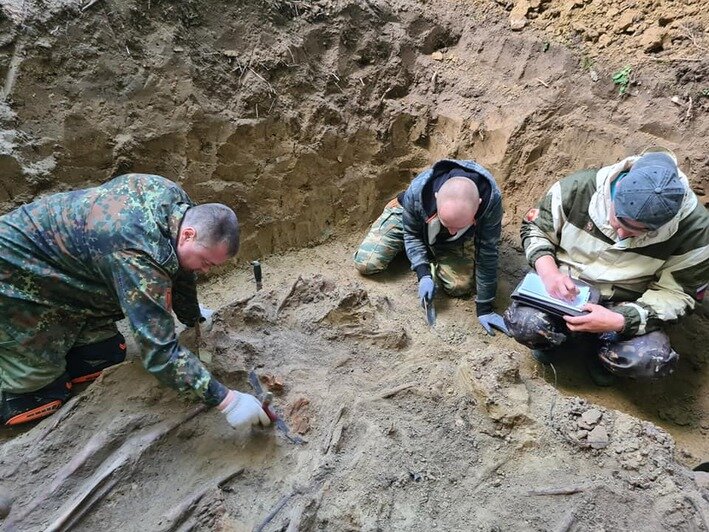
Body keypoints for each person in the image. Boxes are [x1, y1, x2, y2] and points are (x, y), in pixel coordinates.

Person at [0, 173, 270, 430]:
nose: (206, 270)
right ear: (188, 234)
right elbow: (160, 354)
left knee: (102, 356)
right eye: (207, 262)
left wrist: (191, 315)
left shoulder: (176, 202)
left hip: (67, 268)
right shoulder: (138, 253)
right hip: (12, 275)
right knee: (41, 392)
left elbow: (182, 267)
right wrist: (227, 400)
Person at [504, 151, 709, 384]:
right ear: (618, 188)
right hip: (566, 288)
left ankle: (605, 357)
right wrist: (548, 271)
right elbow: (536, 229)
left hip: (626, 303)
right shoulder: (579, 187)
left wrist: (621, 321)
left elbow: (680, 294)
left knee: (649, 359)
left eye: (636, 233)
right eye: (618, 221)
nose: (621, 234)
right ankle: (556, 343)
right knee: (525, 324)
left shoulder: (695, 231)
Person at [354, 159, 509, 335]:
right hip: (408, 217)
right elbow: (412, 234)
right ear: (436, 197)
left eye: (458, 226)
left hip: (450, 239)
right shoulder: (419, 190)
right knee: (367, 264)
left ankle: (435, 245)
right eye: (447, 223)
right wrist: (423, 273)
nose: (451, 231)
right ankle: (417, 250)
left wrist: (484, 307)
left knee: (459, 287)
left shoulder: (491, 202)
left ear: (478, 205)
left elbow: (487, 253)